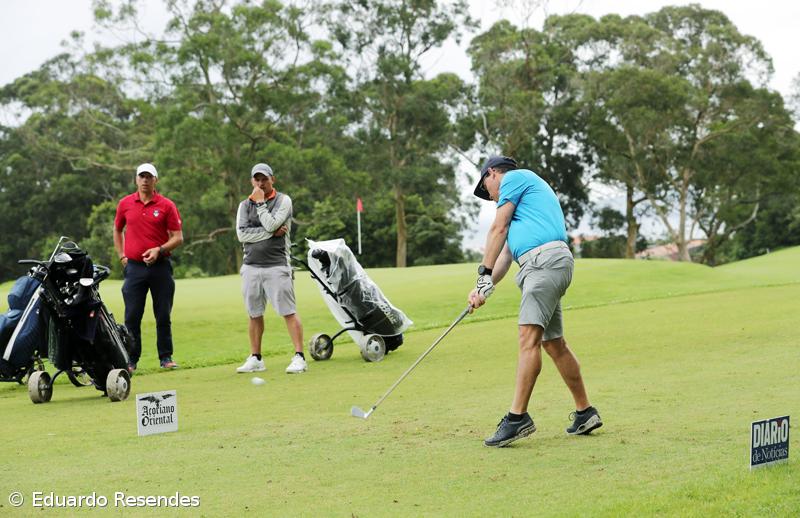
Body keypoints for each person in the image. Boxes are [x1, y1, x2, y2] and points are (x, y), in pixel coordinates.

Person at [467, 155, 602, 448]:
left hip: (544, 264)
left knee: (527, 337)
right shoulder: (524, 212)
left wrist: (482, 274)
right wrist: (484, 287)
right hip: (545, 264)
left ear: (492, 173)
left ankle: (517, 419)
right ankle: (585, 412)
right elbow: (505, 255)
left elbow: (497, 229)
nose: (490, 197)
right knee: (554, 343)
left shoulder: (514, 179)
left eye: (486, 188)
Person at [235, 162, 307, 374]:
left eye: (264, 179)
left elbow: (273, 224)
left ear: (272, 179)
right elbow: (242, 234)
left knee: (288, 311)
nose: (260, 183)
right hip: (250, 266)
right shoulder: (243, 206)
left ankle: (299, 357)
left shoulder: (284, 200)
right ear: (251, 181)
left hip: (277, 264)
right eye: (256, 179)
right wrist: (270, 232)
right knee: (254, 313)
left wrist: (260, 206)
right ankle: (256, 357)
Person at [113, 163, 184, 372]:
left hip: (160, 267)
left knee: (162, 314)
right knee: (132, 316)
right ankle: (131, 360)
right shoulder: (125, 204)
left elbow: (178, 237)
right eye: (141, 176)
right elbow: (117, 230)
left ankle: (166, 357)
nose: (145, 180)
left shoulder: (166, 205)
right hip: (134, 268)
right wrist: (122, 255)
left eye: (149, 177)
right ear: (136, 179)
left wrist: (159, 250)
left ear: (156, 180)